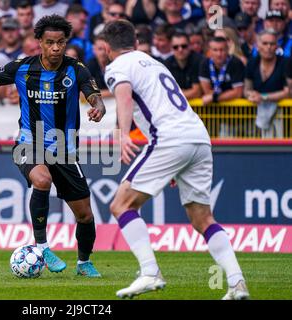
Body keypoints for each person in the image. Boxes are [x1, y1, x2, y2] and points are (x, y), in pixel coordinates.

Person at [0, 14, 106, 277]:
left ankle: (84, 263)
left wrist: (99, 107)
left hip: (65, 150)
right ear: (39, 42)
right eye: (50, 42)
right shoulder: (23, 68)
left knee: (85, 216)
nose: (56, 48)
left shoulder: (76, 69)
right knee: (42, 179)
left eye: (60, 42)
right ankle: (42, 246)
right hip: (29, 143)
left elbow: (93, 94)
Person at [101, 19, 249, 300]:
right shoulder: (154, 63)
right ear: (135, 43)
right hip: (198, 137)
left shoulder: (118, 66)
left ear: (107, 48)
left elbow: (123, 97)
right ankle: (237, 283)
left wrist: (122, 133)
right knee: (203, 219)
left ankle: (149, 272)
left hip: (169, 139)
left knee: (121, 205)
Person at [244, 29, 289, 137]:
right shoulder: (252, 63)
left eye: (272, 44)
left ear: (277, 46)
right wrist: (251, 95)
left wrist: (263, 97)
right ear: (257, 46)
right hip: (256, 112)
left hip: (283, 115)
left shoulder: (285, 62)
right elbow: (246, 90)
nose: (268, 47)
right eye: (265, 43)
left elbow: (288, 92)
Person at [199, 36, 245, 105]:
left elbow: (238, 93)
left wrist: (214, 98)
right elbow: (207, 91)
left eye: (222, 50)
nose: (219, 54)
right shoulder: (205, 63)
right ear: (210, 51)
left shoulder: (236, 63)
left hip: (234, 109)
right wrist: (226, 95)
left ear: (227, 50)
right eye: (215, 50)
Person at [164, 31, 203, 99]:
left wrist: (176, 93)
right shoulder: (167, 64)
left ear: (190, 46)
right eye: (175, 47)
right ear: (171, 48)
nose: (180, 49)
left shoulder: (199, 61)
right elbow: (164, 92)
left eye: (184, 46)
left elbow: (197, 92)